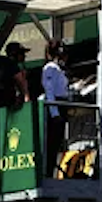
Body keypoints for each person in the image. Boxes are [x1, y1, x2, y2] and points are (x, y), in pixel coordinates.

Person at [40, 38, 69, 179]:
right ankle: (47, 174)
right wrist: (54, 113)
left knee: (57, 143)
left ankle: (52, 173)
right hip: (55, 106)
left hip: (62, 104)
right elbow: (49, 91)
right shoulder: (50, 68)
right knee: (51, 143)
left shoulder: (60, 69)